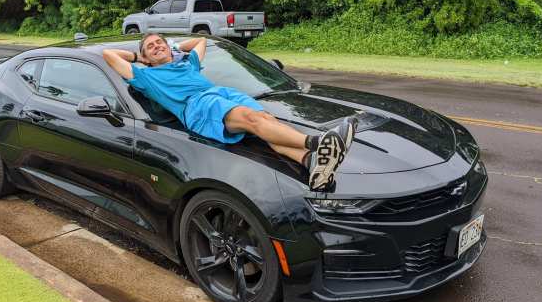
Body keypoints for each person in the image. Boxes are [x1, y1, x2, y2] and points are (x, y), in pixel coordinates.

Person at [103, 34, 357, 190]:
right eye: (151, 46)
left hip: (222, 94)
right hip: (198, 106)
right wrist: (138, 56)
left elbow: (201, 40)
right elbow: (109, 54)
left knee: (267, 124)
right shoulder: (146, 76)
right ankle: (318, 143)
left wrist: (174, 45)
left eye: (160, 42)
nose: (157, 46)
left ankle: (311, 163)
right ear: (145, 57)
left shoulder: (187, 63)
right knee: (254, 119)